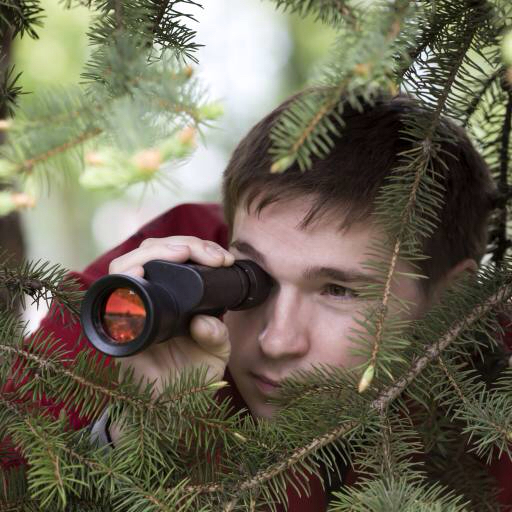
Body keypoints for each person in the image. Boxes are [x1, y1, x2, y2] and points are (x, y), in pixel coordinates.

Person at [4, 91, 510, 510]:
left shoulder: (495, 396)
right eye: (254, 278)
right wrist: (128, 432)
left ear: (453, 296)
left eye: (338, 290)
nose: (275, 339)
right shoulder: (151, 289)